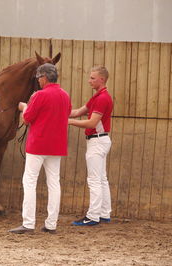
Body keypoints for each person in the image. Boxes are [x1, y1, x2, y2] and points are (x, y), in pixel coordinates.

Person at [9, 63, 71, 234]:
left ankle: (28, 223)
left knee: (29, 182)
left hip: (38, 144)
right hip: (57, 145)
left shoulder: (39, 95)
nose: (38, 81)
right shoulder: (65, 95)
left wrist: (24, 107)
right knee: (54, 183)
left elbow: (27, 119)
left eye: (38, 78)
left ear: (44, 77)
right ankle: (51, 224)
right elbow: (66, 114)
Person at [68, 66, 113, 226]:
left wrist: (69, 122)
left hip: (97, 140)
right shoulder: (97, 97)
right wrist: (60, 111)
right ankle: (104, 213)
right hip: (100, 140)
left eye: (93, 78)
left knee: (94, 180)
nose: (89, 81)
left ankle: (93, 216)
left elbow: (92, 122)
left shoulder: (102, 98)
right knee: (101, 179)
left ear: (102, 79)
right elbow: (79, 111)